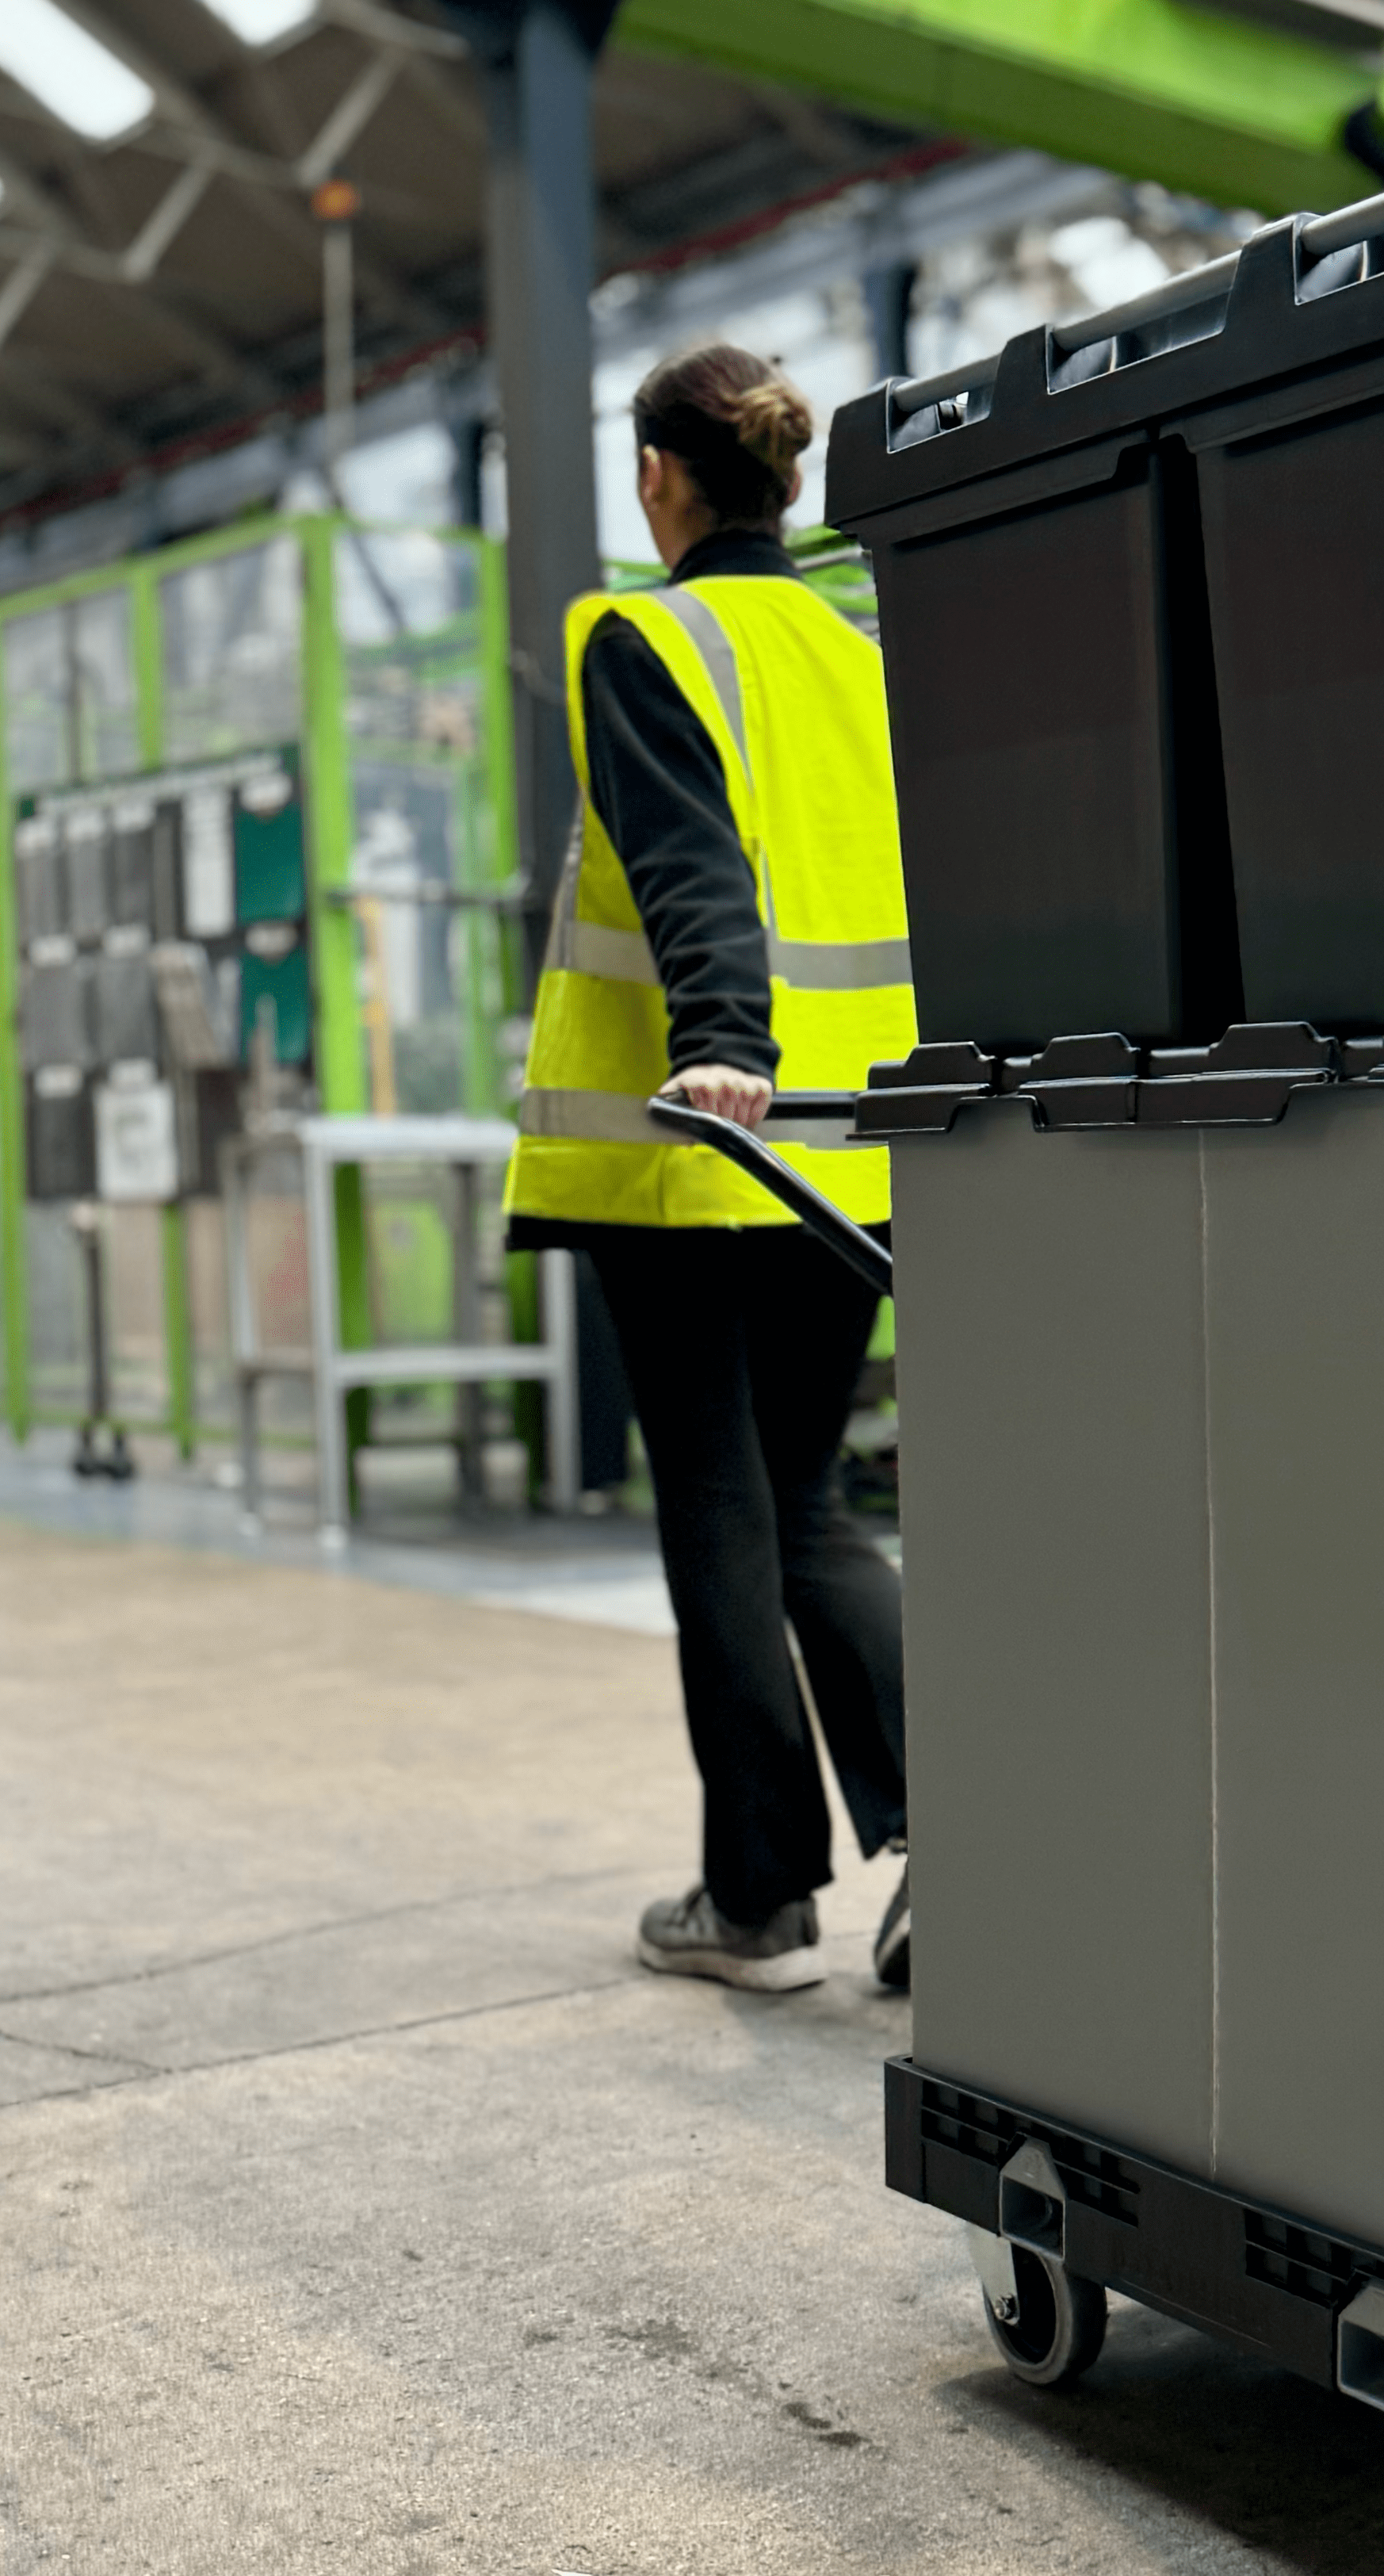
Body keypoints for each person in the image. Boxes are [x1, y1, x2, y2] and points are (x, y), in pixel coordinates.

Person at [504, 342, 916, 1995]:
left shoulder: (640, 630)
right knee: (805, 1497)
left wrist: (722, 1035)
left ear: (658, 476)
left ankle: (754, 1899)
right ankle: (982, 1834)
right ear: (785, 480)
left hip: (700, 1142)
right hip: (853, 1143)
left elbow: (685, 854)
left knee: (724, 1504)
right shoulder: (861, 650)